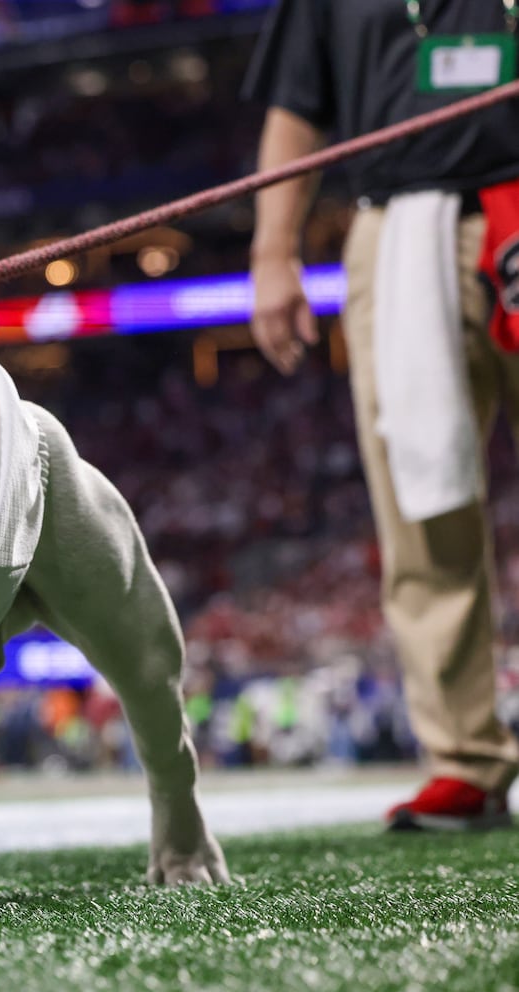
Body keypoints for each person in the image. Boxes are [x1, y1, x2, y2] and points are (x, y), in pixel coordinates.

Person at [245, 0, 519, 829]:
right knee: (420, 504)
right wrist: (272, 249)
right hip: (400, 226)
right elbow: (296, 102)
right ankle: (464, 759)